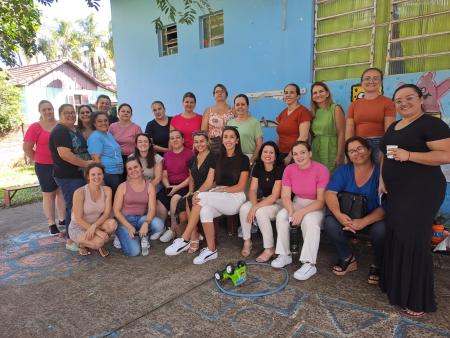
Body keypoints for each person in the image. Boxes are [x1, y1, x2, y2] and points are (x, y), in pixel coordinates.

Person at [379, 84, 450, 317]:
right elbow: (386, 154)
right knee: (397, 235)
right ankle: (397, 288)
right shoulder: (394, 126)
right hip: (396, 191)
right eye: (398, 100)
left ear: (420, 99)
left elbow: (446, 155)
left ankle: (417, 298)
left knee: (413, 239)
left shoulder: (431, 124)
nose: (403, 103)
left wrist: (409, 155)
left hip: (421, 191)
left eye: (409, 98)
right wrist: (382, 179)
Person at [165, 126, 249, 265]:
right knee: (204, 210)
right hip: (219, 195)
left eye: (231, 137)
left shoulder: (243, 159)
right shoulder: (217, 158)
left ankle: (185, 239)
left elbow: (240, 186)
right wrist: (202, 192)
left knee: (200, 197)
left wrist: (219, 191)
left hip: (235, 197)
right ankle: (211, 250)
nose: (228, 140)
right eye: (225, 137)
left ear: (237, 140)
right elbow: (211, 181)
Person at [324, 136, 385, 284]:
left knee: (382, 230)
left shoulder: (381, 173)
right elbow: (330, 193)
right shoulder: (343, 171)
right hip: (347, 216)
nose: (357, 153)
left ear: (369, 150)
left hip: (373, 219)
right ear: (348, 156)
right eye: (351, 151)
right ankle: (346, 257)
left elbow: (387, 205)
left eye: (360, 148)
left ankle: (378, 262)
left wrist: (364, 221)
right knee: (330, 222)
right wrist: (339, 215)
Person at [271, 141, 329, 281]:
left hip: (316, 205)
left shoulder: (321, 169)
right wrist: (291, 210)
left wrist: (302, 213)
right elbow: (285, 196)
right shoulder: (289, 169)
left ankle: (309, 263)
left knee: (310, 221)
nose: (299, 156)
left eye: (303, 152)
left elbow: (321, 201)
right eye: (295, 153)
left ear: (310, 153)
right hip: (297, 201)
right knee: (282, 215)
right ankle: (285, 254)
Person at [49, 104, 94, 251]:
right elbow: (65, 154)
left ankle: (79, 234)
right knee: (72, 206)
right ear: (60, 115)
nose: (70, 115)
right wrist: (85, 163)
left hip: (78, 174)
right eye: (66, 113)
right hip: (68, 175)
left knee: (78, 206)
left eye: (72, 112)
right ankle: (70, 239)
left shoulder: (73, 129)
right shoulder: (60, 131)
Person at [23, 100, 66, 235]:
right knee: (48, 194)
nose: (48, 112)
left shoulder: (61, 124)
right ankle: (51, 224)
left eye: (50, 109)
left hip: (61, 164)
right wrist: (37, 158)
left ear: (54, 109)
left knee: (61, 192)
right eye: (44, 109)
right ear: (40, 112)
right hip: (44, 166)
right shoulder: (35, 127)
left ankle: (63, 220)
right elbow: (27, 147)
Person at [239, 141, 284, 262]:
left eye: (271, 152)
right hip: (263, 200)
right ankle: (247, 241)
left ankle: (269, 248)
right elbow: (252, 190)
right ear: (261, 153)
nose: (268, 154)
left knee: (260, 212)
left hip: (279, 203)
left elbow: (275, 196)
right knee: (244, 208)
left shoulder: (280, 169)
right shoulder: (258, 167)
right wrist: (254, 205)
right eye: (265, 151)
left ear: (276, 155)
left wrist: (255, 208)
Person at [113, 157, 165, 256]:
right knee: (134, 252)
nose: (133, 170)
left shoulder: (149, 186)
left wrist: (146, 223)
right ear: (127, 172)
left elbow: (152, 209)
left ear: (141, 168)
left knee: (159, 224)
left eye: (135, 167)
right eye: (130, 169)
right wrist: (128, 226)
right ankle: (123, 236)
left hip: (141, 219)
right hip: (125, 221)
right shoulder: (122, 186)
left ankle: (141, 234)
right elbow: (116, 211)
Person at [175, 130, 216, 253]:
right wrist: (191, 191)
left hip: (209, 190)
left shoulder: (213, 157)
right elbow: (191, 177)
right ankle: (194, 233)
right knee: (182, 208)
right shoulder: (193, 159)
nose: (199, 144)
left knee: (190, 200)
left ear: (207, 142)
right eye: (196, 142)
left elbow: (212, 182)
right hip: (196, 190)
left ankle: (193, 238)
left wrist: (196, 193)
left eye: (202, 141)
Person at [345, 67, 396, 160]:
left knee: (380, 173)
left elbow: (390, 130)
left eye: (376, 78)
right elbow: (349, 130)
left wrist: (387, 152)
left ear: (381, 82)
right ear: (361, 82)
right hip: (358, 146)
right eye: (367, 78)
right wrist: (348, 151)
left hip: (380, 144)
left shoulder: (388, 102)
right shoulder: (353, 105)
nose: (371, 81)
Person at [70, 163, 117, 257]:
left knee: (112, 224)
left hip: (95, 224)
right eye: (93, 174)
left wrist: (94, 227)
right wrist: (97, 231)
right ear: (88, 176)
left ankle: (96, 242)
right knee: (99, 242)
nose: (97, 177)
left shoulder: (107, 190)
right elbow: (78, 219)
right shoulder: (80, 192)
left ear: (103, 175)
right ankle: (82, 244)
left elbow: (107, 213)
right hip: (78, 227)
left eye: (99, 174)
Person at [157, 129, 194, 242]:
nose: (175, 140)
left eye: (177, 137)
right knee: (159, 200)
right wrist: (168, 187)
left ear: (182, 140)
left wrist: (176, 188)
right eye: (172, 138)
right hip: (170, 185)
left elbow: (191, 176)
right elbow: (164, 174)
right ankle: (161, 227)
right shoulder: (167, 155)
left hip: (184, 186)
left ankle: (175, 230)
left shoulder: (190, 154)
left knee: (175, 199)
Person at [310, 82, 345, 172]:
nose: (318, 95)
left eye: (321, 91)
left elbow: (342, 133)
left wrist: (340, 155)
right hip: (316, 149)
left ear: (327, 93)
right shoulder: (313, 113)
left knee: (331, 177)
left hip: (332, 149)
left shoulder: (335, 108)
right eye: (315, 93)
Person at [87, 112, 123, 195]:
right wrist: (101, 179)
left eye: (105, 120)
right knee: (111, 200)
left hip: (117, 172)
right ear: (94, 124)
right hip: (108, 174)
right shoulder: (95, 137)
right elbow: (96, 160)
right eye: (99, 121)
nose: (103, 123)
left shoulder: (108, 134)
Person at [276, 83, 312, 165]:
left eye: (292, 92)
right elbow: (280, 135)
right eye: (286, 92)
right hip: (281, 154)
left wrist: (290, 156)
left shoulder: (303, 112)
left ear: (298, 96)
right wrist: (275, 151)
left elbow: (303, 137)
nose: (288, 95)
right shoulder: (283, 113)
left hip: (296, 156)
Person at [226, 94, 262, 165]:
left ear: (247, 106)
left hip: (249, 157)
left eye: (243, 104)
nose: (240, 107)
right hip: (233, 157)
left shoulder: (255, 122)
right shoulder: (230, 123)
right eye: (237, 104)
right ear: (234, 107)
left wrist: (252, 159)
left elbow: (259, 144)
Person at [201, 84, 235, 154]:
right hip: (213, 145)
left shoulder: (233, 110)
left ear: (226, 94)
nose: (219, 93)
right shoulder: (208, 110)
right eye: (217, 92)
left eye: (222, 91)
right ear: (214, 95)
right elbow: (203, 131)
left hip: (230, 144)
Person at [109, 103, 142, 169]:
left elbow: (140, 144)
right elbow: (108, 142)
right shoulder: (112, 126)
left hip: (132, 158)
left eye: (128, 112)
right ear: (118, 113)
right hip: (115, 158)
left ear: (131, 115)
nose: (125, 113)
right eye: (123, 111)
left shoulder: (136, 128)